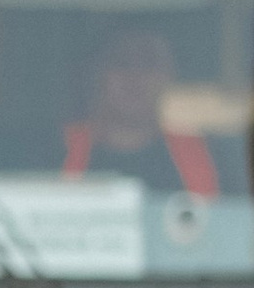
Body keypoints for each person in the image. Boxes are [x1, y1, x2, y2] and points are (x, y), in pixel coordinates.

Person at [61, 24, 230, 198]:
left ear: (169, 74)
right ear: (98, 73)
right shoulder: (61, 148)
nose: (135, 76)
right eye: (122, 62)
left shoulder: (205, 154)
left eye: (149, 62)